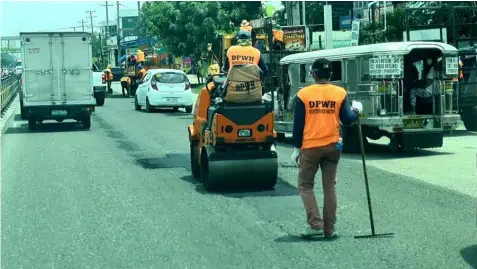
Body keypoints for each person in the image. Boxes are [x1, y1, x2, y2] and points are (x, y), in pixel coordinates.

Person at [291, 58, 362, 239]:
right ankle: (329, 229)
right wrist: (356, 111)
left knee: (305, 185)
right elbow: (347, 119)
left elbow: (298, 125)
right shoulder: (340, 93)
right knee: (329, 186)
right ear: (330, 75)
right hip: (332, 146)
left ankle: (315, 225)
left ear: (313, 74)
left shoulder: (303, 94)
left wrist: (296, 149)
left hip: (311, 147)